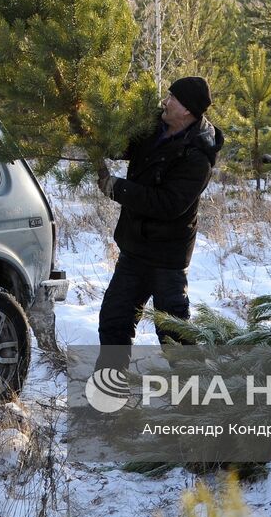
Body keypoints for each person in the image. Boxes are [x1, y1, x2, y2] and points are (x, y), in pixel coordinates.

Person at [95, 76, 224, 370]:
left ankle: (196, 401)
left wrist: (119, 188)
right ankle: (107, 400)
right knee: (114, 323)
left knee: (175, 338)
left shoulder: (198, 155)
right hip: (134, 250)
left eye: (172, 99)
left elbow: (169, 204)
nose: (165, 102)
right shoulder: (155, 128)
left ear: (188, 110)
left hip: (167, 258)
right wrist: (91, 125)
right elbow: (119, 146)